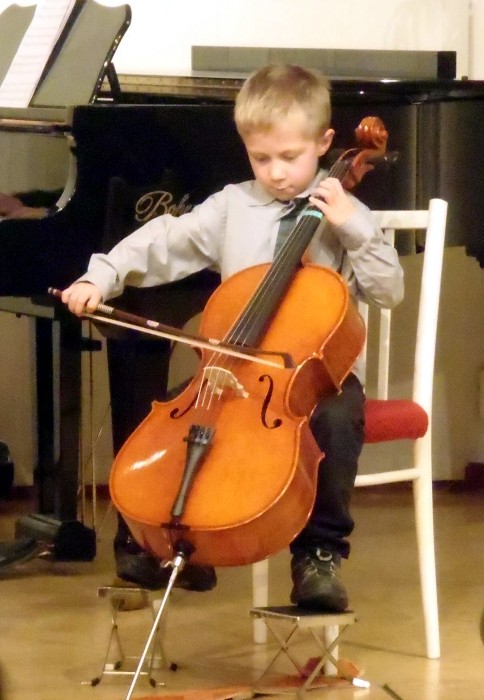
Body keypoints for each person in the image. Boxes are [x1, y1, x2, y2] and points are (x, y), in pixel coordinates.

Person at [60, 64, 404, 612]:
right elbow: (163, 240)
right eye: (260, 158)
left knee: (337, 420)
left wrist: (354, 228)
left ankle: (319, 555)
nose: (276, 173)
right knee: (176, 426)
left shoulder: (347, 212)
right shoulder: (232, 206)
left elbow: (389, 290)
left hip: (318, 381)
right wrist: (101, 275)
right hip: (233, 372)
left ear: (324, 144)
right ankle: (185, 542)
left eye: (289, 157)